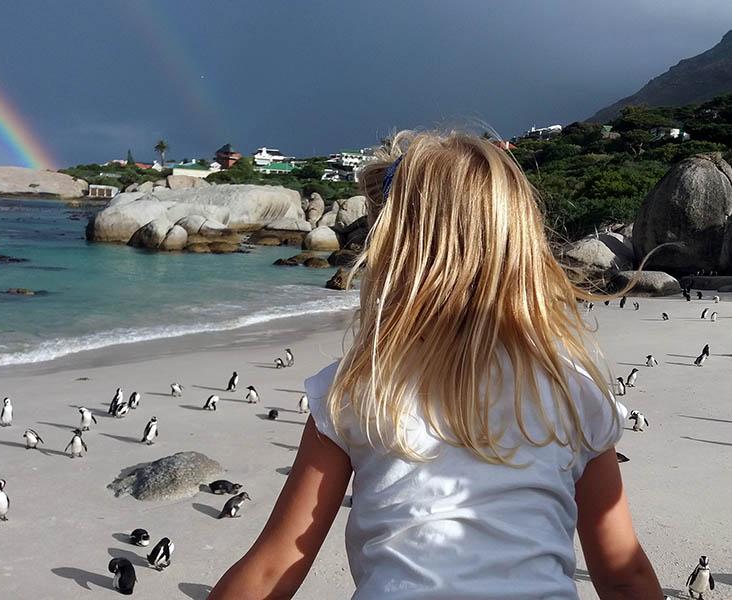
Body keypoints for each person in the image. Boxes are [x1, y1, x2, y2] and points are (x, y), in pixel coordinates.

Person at [208, 131, 661, 600]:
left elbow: (273, 569)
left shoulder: (358, 388)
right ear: (521, 245)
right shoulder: (573, 390)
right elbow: (624, 576)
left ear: (394, 254)